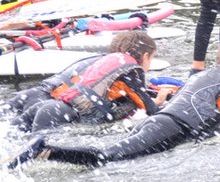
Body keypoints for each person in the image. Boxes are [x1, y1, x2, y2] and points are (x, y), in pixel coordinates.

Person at [8, 38, 220, 169]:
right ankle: (47, 151)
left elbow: (216, 109)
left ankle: (43, 151)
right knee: (108, 158)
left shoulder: (204, 73)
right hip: (170, 129)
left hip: (157, 123)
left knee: (110, 152)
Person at [10, 31, 170, 132]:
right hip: (57, 110)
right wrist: (160, 100)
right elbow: (150, 110)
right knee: (34, 156)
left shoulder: (99, 61)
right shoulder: (131, 69)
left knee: (9, 137)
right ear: (145, 57)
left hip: (41, 103)